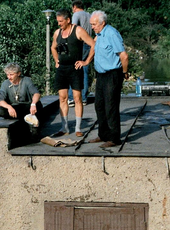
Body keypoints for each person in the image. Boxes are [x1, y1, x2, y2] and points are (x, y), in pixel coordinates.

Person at [87, 10, 129, 148]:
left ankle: (114, 138)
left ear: (102, 23)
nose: (92, 27)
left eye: (94, 24)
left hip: (112, 74)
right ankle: (103, 134)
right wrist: (87, 61)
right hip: (101, 75)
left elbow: (124, 56)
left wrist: (124, 72)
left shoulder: (111, 33)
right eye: (91, 24)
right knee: (99, 105)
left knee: (110, 106)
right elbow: (94, 48)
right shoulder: (99, 34)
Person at [51, 8, 95, 137]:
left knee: (77, 98)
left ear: (68, 20)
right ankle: (64, 127)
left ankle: (77, 128)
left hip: (75, 68)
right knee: (63, 98)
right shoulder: (57, 33)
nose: (59, 24)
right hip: (62, 69)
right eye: (57, 21)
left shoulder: (78, 31)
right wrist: (56, 60)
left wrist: (86, 61)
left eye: (61, 21)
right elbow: (53, 47)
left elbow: (93, 44)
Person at [0, 63, 43, 145]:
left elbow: (36, 94)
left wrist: (33, 104)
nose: (9, 77)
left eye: (11, 75)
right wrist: (9, 107)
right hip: (14, 108)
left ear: (18, 73)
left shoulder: (26, 80)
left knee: (38, 105)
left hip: (26, 106)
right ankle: (24, 120)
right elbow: (0, 101)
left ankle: (33, 130)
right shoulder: (5, 83)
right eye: (7, 75)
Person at [68, 1, 92, 106]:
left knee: (73, 69)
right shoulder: (89, 15)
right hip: (88, 44)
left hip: (79, 44)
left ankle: (72, 97)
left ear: (74, 7)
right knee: (85, 70)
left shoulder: (76, 15)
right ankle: (84, 98)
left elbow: (73, 28)